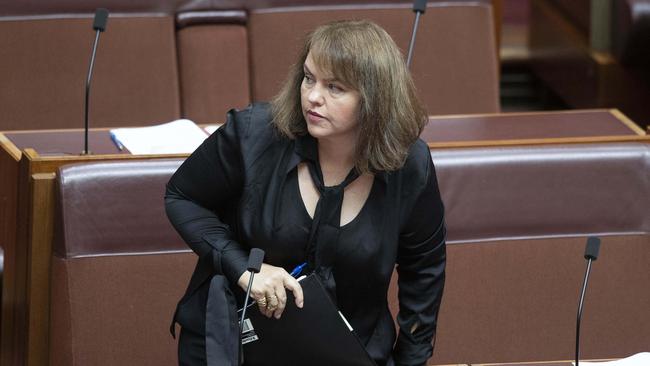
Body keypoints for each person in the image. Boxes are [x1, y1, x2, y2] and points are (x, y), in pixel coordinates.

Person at [165, 19, 446, 366]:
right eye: (309, 78)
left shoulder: (410, 164)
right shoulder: (254, 134)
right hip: (239, 344)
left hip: (348, 349)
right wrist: (245, 269)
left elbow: (424, 274)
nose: (312, 96)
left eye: (335, 87)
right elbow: (182, 197)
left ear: (375, 100)